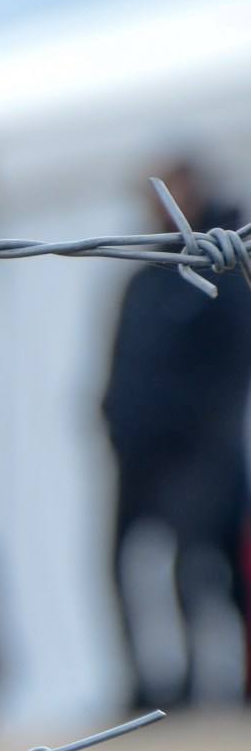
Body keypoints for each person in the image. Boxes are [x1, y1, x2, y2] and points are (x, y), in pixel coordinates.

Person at [101, 159, 251, 708]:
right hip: (137, 452)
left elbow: (232, 369)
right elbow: (121, 362)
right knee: (120, 565)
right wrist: (113, 420)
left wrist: (208, 438)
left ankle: (206, 685)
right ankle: (146, 686)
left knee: (200, 570)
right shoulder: (147, 273)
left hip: (201, 454)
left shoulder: (225, 269)